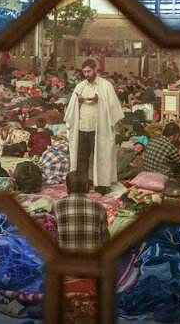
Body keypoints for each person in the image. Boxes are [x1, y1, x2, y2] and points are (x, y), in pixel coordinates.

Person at [64, 59, 124, 195]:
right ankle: (81, 187)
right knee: (81, 161)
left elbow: (114, 108)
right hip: (82, 129)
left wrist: (99, 100)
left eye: (89, 71)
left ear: (95, 69)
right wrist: (78, 101)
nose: (86, 74)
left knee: (101, 158)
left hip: (99, 130)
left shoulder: (106, 86)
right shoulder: (80, 86)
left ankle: (101, 187)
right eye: (84, 72)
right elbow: (71, 108)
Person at [53, 171, 110, 253]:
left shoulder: (56, 206)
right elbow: (106, 241)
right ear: (87, 187)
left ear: (67, 189)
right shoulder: (99, 207)